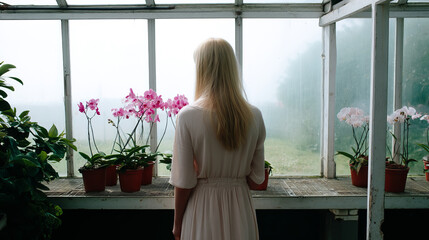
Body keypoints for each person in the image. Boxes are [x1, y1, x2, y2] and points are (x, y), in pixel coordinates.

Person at [169, 38, 266, 240]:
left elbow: (184, 181)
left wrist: (177, 225)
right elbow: (257, 180)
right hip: (240, 208)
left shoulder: (188, 116)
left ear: (202, 70)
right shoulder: (254, 116)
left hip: (202, 209)